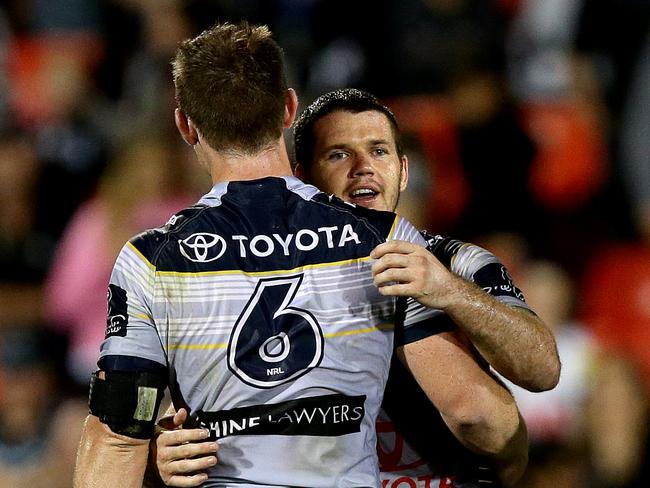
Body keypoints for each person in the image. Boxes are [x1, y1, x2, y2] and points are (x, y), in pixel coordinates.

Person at [73, 24, 526, 487]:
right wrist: (510, 462)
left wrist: (152, 460)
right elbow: (473, 411)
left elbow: (118, 435)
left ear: (186, 125)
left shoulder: (152, 259)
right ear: (289, 108)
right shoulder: (380, 237)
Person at [152, 87, 558, 487]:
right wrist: (164, 458)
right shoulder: (256, 279)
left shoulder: (459, 264)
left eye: (379, 151)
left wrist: (449, 292)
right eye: (338, 154)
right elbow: (195, 418)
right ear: (303, 178)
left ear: (403, 171)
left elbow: (542, 370)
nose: (363, 166)